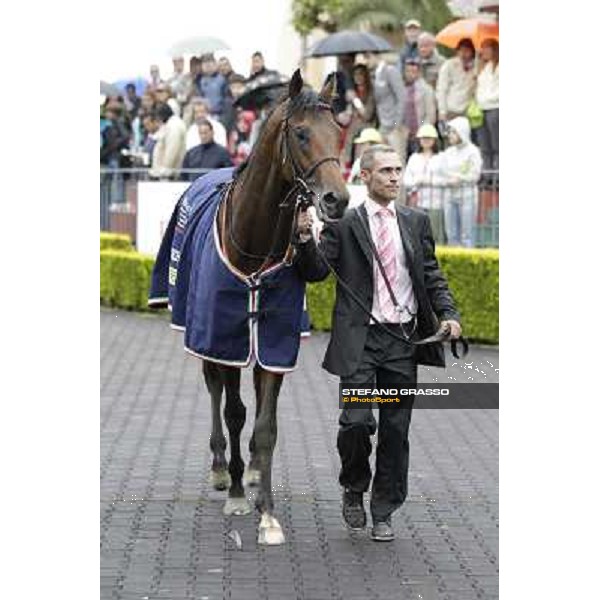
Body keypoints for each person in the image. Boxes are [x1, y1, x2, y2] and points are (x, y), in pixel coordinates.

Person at [295, 144, 462, 542]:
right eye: (385, 170)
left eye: (398, 170)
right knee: (356, 423)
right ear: (365, 176)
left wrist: (449, 314)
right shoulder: (345, 224)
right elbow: (317, 271)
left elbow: (430, 274)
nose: (394, 177)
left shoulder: (416, 221)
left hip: (401, 344)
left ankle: (384, 509)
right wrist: (304, 237)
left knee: (394, 430)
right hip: (361, 344)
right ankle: (354, 486)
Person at [436, 116, 482, 247]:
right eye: (449, 132)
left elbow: (475, 175)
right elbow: (440, 172)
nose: (449, 135)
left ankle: (467, 263)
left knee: (467, 234)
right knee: (451, 234)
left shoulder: (473, 151)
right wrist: (451, 179)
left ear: (462, 132)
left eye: (453, 132)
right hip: (449, 196)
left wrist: (459, 178)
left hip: (467, 196)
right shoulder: (448, 152)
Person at [403, 124, 445, 244]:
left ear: (435, 140)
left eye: (429, 138)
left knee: (435, 234)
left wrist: (430, 182)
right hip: (417, 202)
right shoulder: (414, 158)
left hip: (436, 203)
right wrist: (417, 182)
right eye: (423, 138)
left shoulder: (441, 157)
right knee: (417, 235)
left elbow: (445, 178)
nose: (426, 141)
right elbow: (407, 179)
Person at [365, 51, 407, 166]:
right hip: (383, 125)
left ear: (376, 56)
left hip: (395, 125)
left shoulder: (390, 71)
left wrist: (397, 123)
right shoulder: (375, 74)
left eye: (367, 57)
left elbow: (401, 97)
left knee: (398, 161)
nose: (366, 61)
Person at [342, 63, 377, 169]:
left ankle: (356, 166)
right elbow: (350, 112)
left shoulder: (371, 92)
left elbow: (367, 115)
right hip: (353, 126)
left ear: (365, 76)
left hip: (367, 126)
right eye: (355, 74)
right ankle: (346, 166)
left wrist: (355, 100)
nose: (357, 77)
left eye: (360, 74)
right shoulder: (353, 91)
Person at [436, 38, 477, 124]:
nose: (463, 54)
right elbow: (442, 89)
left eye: (466, 51)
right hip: (451, 111)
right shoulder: (449, 65)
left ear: (472, 52)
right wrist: (442, 111)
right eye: (460, 50)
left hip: (468, 112)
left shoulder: (476, 67)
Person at [403, 59, 436, 158]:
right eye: (407, 71)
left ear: (419, 73)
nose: (410, 74)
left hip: (421, 132)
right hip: (405, 134)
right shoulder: (402, 89)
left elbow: (431, 114)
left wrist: (423, 131)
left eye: (413, 71)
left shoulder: (426, 89)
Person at [475, 39, 499, 173]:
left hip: (495, 108)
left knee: (497, 145)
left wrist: (487, 99)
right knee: (484, 145)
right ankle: (488, 175)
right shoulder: (485, 68)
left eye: (485, 48)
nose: (482, 51)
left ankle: (497, 175)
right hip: (481, 109)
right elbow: (480, 88)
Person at [149, 102, 187, 179]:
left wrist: (166, 169)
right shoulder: (170, 124)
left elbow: (172, 149)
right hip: (164, 172)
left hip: (169, 174)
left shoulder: (174, 126)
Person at [197, 54, 228, 119]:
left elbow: (225, 98)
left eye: (210, 63)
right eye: (205, 63)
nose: (207, 66)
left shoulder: (222, 79)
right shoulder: (200, 80)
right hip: (204, 113)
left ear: (215, 64)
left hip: (219, 113)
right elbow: (200, 97)